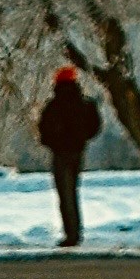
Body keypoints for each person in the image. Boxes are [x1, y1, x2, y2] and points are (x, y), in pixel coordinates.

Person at [35, 56, 103, 246]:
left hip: (60, 154)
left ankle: (71, 234)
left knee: (65, 194)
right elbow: (95, 127)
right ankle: (76, 232)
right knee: (73, 190)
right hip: (78, 152)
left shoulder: (54, 106)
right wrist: (81, 140)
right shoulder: (86, 104)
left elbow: (43, 130)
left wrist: (54, 143)